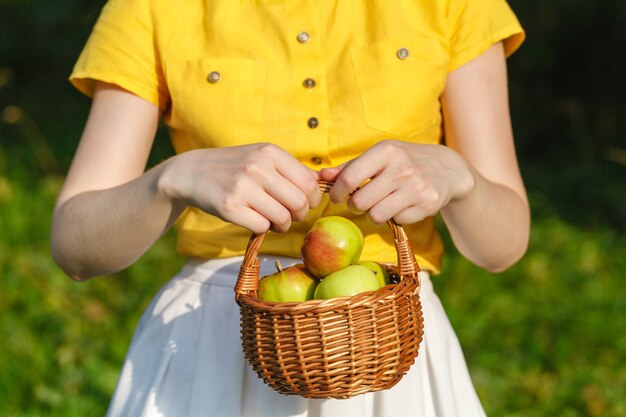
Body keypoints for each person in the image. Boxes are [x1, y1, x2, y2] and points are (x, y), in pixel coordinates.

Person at [51, 0, 530, 415]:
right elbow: (75, 246)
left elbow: (502, 247)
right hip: (211, 350)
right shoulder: (152, 7)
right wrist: (169, 180)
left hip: (388, 344)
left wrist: (460, 179)